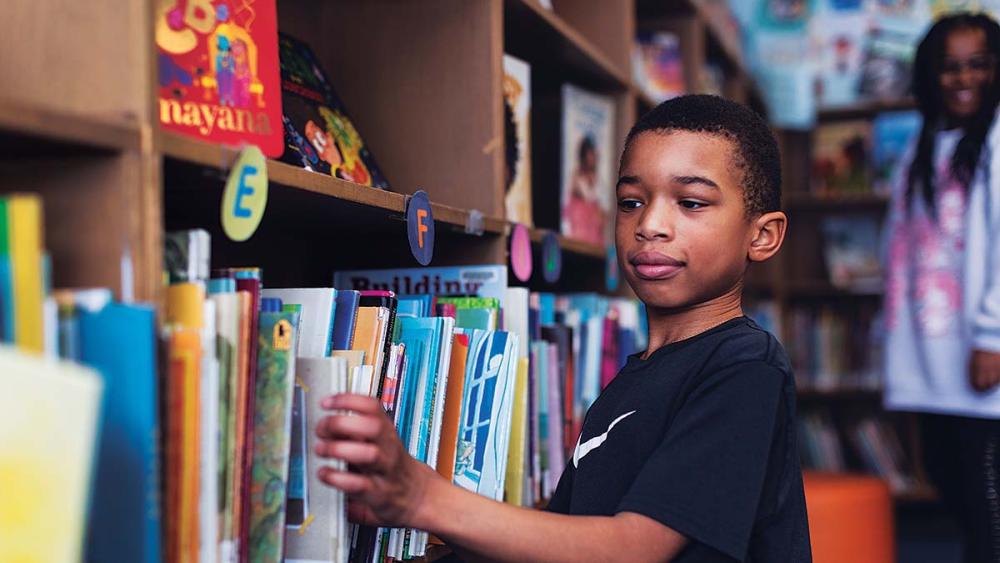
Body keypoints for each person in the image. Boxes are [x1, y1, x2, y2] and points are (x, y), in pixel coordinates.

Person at [314, 95, 812, 562]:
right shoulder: (636, 378)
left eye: (692, 203)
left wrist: (422, 497)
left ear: (762, 235)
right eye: (631, 201)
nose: (650, 225)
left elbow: (633, 549)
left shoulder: (746, 367)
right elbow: (561, 539)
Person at [883, 12, 1000, 563]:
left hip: (980, 354)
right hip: (930, 356)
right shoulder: (921, 144)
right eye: (951, 67)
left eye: (979, 64)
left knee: (987, 512)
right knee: (946, 477)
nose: (964, 78)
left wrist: (993, 336)